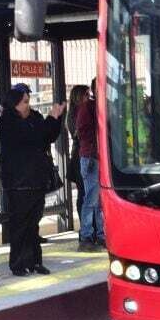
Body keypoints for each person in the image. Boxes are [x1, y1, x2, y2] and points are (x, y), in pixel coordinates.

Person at [0, 84, 66, 276]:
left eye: (29, 101)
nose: (28, 106)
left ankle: (35, 261)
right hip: (18, 181)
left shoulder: (35, 117)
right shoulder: (8, 121)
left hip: (36, 178)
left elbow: (47, 137)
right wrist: (49, 120)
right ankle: (18, 263)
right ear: (15, 103)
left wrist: (55, 118)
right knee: (19, 223)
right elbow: (30, 137)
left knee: (34, 223)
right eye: (24, 102)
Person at [75, 78, 104, 252]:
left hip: (97, 157)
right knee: (91, 199)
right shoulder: (88, 107)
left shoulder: (97, 107)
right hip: (91, 157)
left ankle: (101, 235)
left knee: (99, 200)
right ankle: (86, 236)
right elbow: (82, 131)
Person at [66, 84, 90, 220]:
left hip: (80, 155)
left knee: (86, 192)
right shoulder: (77, 114)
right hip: (79, 157)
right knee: (84, 192)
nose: (89, 97)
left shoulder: (76, 113)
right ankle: (85, 226)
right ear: (79, 97)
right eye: (86, 95)